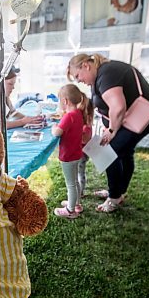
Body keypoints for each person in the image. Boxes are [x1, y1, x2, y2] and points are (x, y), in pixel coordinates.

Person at [67, 53, 149, 212]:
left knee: (107, 152)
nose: (79, 80)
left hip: (144, 115)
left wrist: (111, 130)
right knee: (125, 152)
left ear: (86, 66)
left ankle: (114, 197)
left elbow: (118, 107)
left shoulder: (107, 73)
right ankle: (118, 193)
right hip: (134, 118)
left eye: (77, 75)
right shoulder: (102, 74)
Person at [51, 84, 91, 219]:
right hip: (76, 153)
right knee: (75, 181)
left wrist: (54, 127)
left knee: (71, 183)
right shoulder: (78, 113)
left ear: (65, 101)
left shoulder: (69, 117)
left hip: (68, 156)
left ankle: (70, 210)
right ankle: (76, 204)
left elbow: (57, 133)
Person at [78, 94, 94, 198]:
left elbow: (85, 139)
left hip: (82, 154)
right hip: (79, 153)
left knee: (80, 174)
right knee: (78, 173)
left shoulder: (86, 127)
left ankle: (81, 192)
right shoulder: (85, 125)